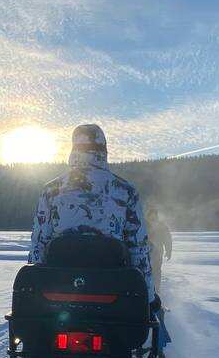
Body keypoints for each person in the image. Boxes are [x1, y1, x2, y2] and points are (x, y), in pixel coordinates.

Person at [28, 124, 155, 304]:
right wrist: (148, 298)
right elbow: (138, 248)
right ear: (104, 150)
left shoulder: (52, 190)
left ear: (73, 149)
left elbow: (39, 244)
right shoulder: (125, 191)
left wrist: (35, 291)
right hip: (112, 293)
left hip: (59, 292)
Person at [146, 204, 173, 292]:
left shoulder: (162, 226)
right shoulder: (143, 225)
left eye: (154, 215)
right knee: (146, 271)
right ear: (148, 215)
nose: (152, 217)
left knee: (156, 271)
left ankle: (156, 290)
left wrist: (168, 251)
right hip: (145, 253)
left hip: (157, 252)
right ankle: (147, 289)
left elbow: (167, 239)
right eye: (151, 215)